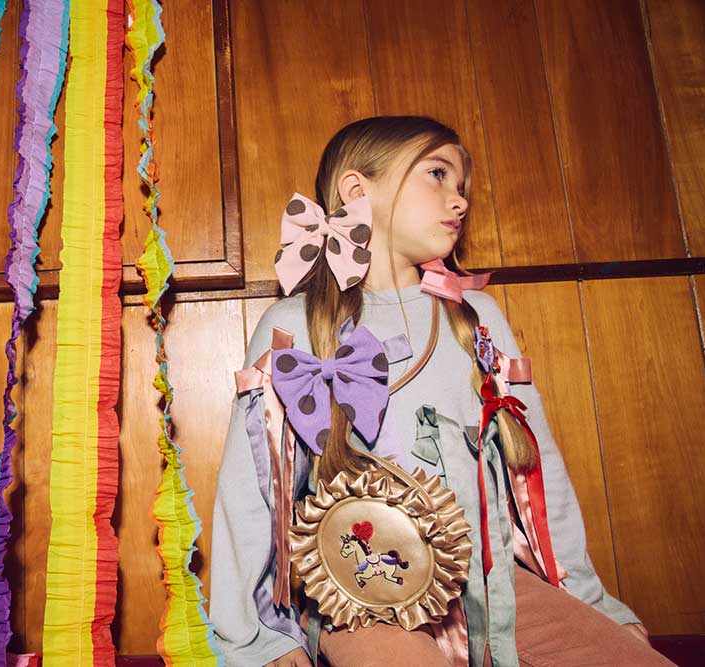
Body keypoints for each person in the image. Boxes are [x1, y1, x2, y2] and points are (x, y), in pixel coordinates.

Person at [209, 116, 674, 667]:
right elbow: (250, 494)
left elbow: (536, 470)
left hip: (492, 586)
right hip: (360, 598)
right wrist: (258, 642)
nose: (458, 201)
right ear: (358, 190)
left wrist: (597, 608)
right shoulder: (292, 326)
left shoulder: (476, 318)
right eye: (437, 175)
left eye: (462, 188)